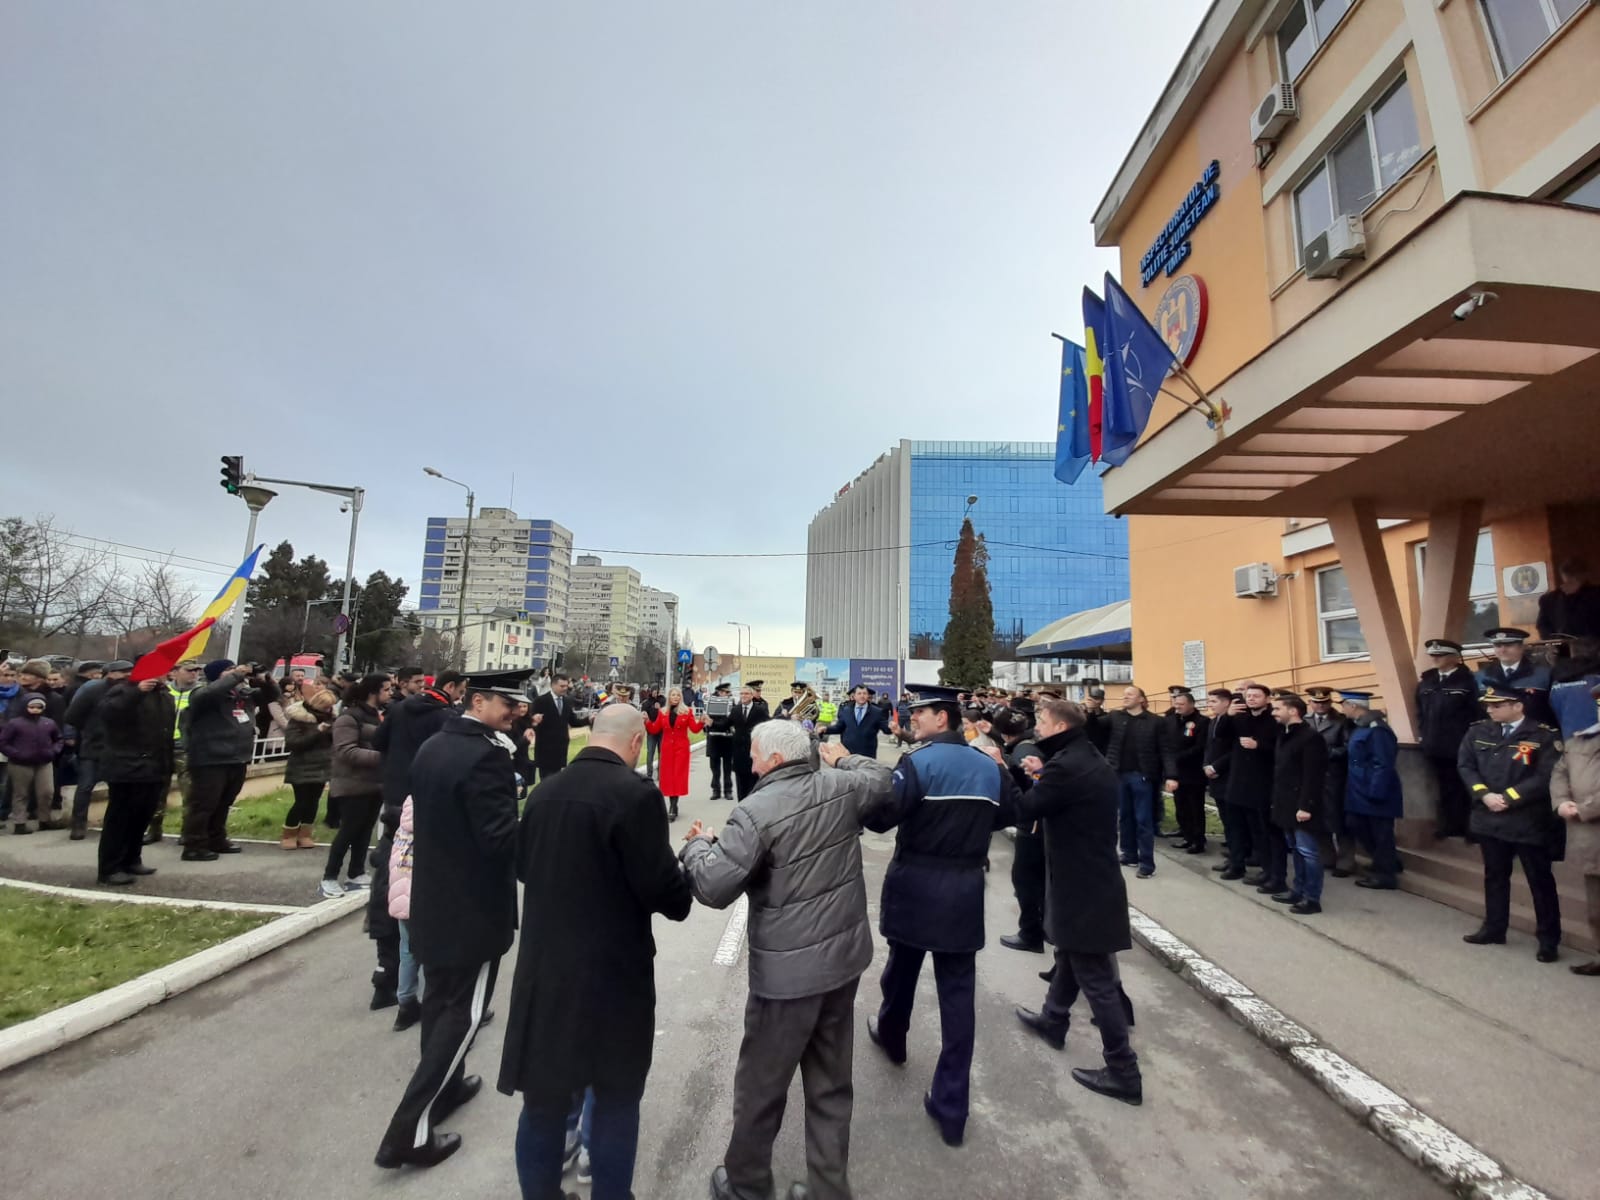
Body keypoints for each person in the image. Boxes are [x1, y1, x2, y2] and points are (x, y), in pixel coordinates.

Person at [681, 719, 894, 1200]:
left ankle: (747, 1184)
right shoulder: (843, 787)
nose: (750, 762)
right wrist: (842, 758)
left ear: (776, 760)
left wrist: (696, 846)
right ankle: (828, 1188)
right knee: (831, 1084)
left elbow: (713, 886)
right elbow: (882, 780)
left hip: (786, 981)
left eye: (755, 755)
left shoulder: (756, 810)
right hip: (842, 965)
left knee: (761, 1086)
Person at [498, 703, 692, 1199]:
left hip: (544, 972)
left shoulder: (545, 792)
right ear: (634, 744)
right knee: (615, 1098)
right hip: (613, 977)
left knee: (542, 1101)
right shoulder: (636, 795)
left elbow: (522, 866)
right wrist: (687, 862)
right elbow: (666, 894)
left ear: (591, 735)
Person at [376, 670, 525, 1170]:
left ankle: (449, 1087)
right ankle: (408, 1134)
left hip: (433, 899)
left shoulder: (437, 744)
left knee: (440, 1002)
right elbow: (499, 838)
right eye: (507, 703)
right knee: (462, 1014)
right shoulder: (486, 755)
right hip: (474, 909)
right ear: (478, 701)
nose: (515, 711)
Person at [861, 684, 1018, 1148]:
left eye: (921, 713)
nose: (913, 719)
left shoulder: (918, 763)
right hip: (964, 889)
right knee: (957, 997)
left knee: (902, 969)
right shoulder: (989, 766)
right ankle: (952, 1108)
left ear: (942, 719)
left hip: (916, 884)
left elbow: (880, 819)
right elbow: (1008, 814)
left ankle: (893, 1036)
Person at [1010, 698, 1141, 1104]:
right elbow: (1060, 790)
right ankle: (1054, 1018)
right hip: (1087, 877)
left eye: (1042, 722)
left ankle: (1123, 1070)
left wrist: (1003, 766)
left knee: (1095, 977)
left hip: (1084, 883)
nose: (1036, 729)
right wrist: (1041, 772)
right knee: (1070, 952)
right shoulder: (1078, 757)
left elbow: (1026, 807)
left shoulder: (1067, 764)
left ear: (1061, 726)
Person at [371, 670, 465, 1012]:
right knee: (429, 893)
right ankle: (441, 988)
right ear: (451, 688)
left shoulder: (398, 710)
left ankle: (387, 976)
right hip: (427, 808)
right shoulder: (447, 719)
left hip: (394, 804)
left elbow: (378, 743)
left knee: (390, 884)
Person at [1458, 684, 1563, 962]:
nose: (1490, 709)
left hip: (1527, 819)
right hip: (1489, 816)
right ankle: (1494, 928)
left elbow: (1545, 775)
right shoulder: (1478, 731)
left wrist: (1509, 797)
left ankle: (1548, 939)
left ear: (1518, 706)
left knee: (1539, 881)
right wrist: (1484, 795)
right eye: (1489, 706)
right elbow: (1466, 765)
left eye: (1497, 705)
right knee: (1494, 876)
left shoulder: (1542, 734)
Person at [93, 669, 176, 884]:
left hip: (154, 767)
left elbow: (165, 732)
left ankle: (132, 859)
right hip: (126, 767)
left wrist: (167, 765)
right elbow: (109, 714)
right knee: (120, 819)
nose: (162, 675)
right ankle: (110, 868)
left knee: (142, 816)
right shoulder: (122, 690)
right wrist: (136, 692)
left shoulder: (164, 696)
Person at [178, 660, 257, 861]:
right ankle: (194, 844)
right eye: (228, 671)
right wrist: (236, 675)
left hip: (236, 757)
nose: (234, 673)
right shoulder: (202, 694)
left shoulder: (237, 696)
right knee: (204, 804)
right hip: (209, 758)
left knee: (224, 803)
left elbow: (270, 696)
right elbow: (210, 692)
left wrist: (263, 678)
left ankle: (216, 839)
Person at [321, 673, 386, 899]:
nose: (389, 694)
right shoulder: (348, 718)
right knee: (348, 831)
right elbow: (346, 751)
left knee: (364, 830)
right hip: (351, 784)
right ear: (373, 692)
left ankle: (356, 872)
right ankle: (329, 877)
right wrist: (384, 757)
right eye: (385, 690)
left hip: (373, 784)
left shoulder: (375, 717)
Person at [1103, 686, 1177, 879]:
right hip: (1119, 774)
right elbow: (1093, 727)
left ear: (1141, 699)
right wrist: (1093, 709)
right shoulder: (1115, 717)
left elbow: (1166, 750)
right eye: (1124, 694)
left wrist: (1171, 775)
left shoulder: (1155, 722)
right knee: (1125, 817)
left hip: (1142, 776)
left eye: (1130, 694)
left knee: (1143, 820)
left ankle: (1146, 863)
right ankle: (1129, 854)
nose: (1125, 697)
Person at [1552, 682, 1600, 976]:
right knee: (1596, 908)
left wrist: (1585, 809)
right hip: (1591, 840)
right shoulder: (1580, 740)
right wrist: (1561, 802)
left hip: (1589, 819)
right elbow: (1560, 771)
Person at [1416, 638, 1483, 839]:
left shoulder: (1467, 682)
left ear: (1455, 657)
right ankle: (1450, 824)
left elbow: (1477, 714)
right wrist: (1424, 735)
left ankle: (1471, 827)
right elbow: (1420, 712)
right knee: (1445, 786)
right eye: (1433, 656)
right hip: (1435, 744)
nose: (1435, 659)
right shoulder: (1427, 682)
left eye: (1441, 655)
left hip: (1461, 744)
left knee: (1467, 786)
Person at [992, 708, 1046, 953]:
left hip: (1032, 825)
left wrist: (1001, 767)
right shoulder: (1028, 746)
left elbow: (1026, 786)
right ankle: (1040, 931)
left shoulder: (1024, 752)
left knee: (1025, 881)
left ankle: (1031, 933)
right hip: (1036, 823)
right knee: (1034, 881)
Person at [1269, 694, 1328, 915]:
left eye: (1277, 709)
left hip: (1302, 806)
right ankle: (1298, 890)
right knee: (1296, 850)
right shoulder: (1284, 735)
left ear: (1293, 711)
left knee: (1308, 852)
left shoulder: (1310, 737)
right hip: (1286, 803)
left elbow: (1313, 775)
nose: (1273, 712)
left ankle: (1312, 898)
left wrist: (1306, 806)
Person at [1219, 683, 1281, 889]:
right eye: (1249, 695)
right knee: (1235, 827)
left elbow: (1280, 750)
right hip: (1237, 780)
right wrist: (1227, 715)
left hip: (1261, 782)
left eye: (1256, 696)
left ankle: (1268, 870)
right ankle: (1236, 864)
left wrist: (1259, 746)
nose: (1251, 699)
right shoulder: (1240, 716)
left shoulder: (1274, 719)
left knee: (1260, 831)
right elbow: (1220, 736)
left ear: (1268, 699)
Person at [64, 659, 134, 840]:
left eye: (129, 672)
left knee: (119, 789)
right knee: (85, 786)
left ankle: (117, 825)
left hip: (120, 747)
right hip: (93, 746)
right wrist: (90, 730)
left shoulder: (132, 691)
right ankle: (78, 825)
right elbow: (72, 716)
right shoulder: (92, 689)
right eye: (121, 672)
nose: (126, 675)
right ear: (109, 673)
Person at [1341, 691, 1403, 891]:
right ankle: (1386, 862)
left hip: (1373, 790)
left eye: (1344, 705)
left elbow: (1383, 763)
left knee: (1380, 833)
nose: (1342, 709)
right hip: (1359, 788)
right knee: (1357, 824)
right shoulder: (1361, 726)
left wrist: (1376, 791)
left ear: (1353, 706)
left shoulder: (1377, 730)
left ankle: (1386, 875)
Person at [145, 659, 201, 845]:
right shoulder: (162, 692)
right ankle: (154, 829)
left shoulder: (200, 693)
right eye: (189, 670)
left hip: (186, 748)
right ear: (175, 672)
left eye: (196, 671)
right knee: (157, 792)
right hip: (162, 747)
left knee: (190, 793)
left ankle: (187, 832)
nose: (194, 673)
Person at [1304, 687, 1356, 876]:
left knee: (1338, 819)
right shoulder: (1305, 721)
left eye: (1324, 702)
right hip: (1311, 777)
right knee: (1317, 817)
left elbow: (1348, 747)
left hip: (1334, 776)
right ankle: (1327, 857)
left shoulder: (1341, 721)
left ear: (1330, 703)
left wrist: (1327, 754)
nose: (1320, 705)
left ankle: (1346, 861)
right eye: (1316, 702)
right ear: (1310, 703)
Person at [280, 687, 335, 849]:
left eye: (330, 706)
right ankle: (289, 834)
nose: (328, 709)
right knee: (301, 802)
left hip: (322, 766)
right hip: (301, 766)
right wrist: (317, 732)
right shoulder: (299, 719)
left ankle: (305, 833)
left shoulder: (331, 719)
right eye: (325, 706)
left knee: (314, 802)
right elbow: (293, 743)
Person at [1, 693, 63, 833]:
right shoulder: (14, 723)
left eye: (39, 707)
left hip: (44, 761)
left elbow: (58, 738)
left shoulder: (48, 723)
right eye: (32, 706)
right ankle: (20, 822)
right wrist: (16, 754)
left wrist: (53, 751)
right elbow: (4, 742)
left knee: (47, 792)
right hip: (20, 763)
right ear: (25, 707)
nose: (35, 709)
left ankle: (44, 819)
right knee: (21, 793)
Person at [388, 794, 422, 1030]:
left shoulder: (403, 827)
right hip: (423, 900)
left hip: (400, 899)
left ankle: (406, 1004)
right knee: (434, 953)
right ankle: (437, 1005)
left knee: (408, 952)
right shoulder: (432, 824)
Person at [1476, 627, 1555, 728]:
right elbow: (1478, 711)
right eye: (1498, 646)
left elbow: (1552, 709)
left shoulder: (1543, 674)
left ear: (1521, 647)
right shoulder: (1481, 676)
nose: (1503, 650)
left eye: (1509, 645)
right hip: (1493, 736)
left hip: (1534, 735)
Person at [645, 688, 704, 822]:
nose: (675, 697)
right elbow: (654, 729)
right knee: (668, 777)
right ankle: (672, 804)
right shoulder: (662, 712)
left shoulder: (687, 711)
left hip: (681, 748)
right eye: (673, 695)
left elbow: (694, 729)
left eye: (678, 695)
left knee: (677, 776)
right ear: (669, 697)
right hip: (667, 749)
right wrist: (647, 721)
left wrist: (701, 722)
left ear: (681, 697)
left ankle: (673, 806)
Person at [1166, 687, 1210, 855]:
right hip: (1177, 773)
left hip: (1193, 772)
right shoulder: (1172, 720)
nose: (1177, 707)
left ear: (1191, 704)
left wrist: (1177, 756)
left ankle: (1198, 840)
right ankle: (1187, 836)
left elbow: (1200, 747)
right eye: (1176, 704)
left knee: (1195, 808)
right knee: (1181, 806)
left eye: (1181, 704)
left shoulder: (1201, 721)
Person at [531, 672, 589, 784]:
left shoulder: (567, 701)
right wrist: (534, 721)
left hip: (560, 749)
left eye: (566, 686)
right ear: (553, 685)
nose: (565, 689)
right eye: (562, 686)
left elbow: (573, 721)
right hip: (545, 750)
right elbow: (532, 722)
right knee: (546, 782)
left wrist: (589, 720)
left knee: (556, 782)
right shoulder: (541, 701)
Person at [1203, 689, 1238, 873]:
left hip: (1227, 776)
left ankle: (1236, 861)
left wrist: (1216, 767)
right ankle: (1232, 857)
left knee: (1234, 823)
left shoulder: (1231, 721)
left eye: (1214, 701)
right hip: (1213, 776)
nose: (1210, 704)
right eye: (1209, 700)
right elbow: (1209, 747)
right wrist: (1206, 765)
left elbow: (1233, 750)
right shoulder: (1213, 721)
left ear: (1226, 703)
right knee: (1226, 821)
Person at [1537, 557, 1600, 641]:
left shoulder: (1548, 599)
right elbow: (1542, 626)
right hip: (1590, 648)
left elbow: (1542, 626)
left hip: (1563, 647)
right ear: (1586, 574)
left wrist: (1553, 641)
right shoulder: (1548, 599)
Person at [824, 684, 892, 759]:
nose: (862, 696)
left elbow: (886, 729)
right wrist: (826, 729)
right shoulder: (846, 711)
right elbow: (839, 727)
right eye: (859, 693)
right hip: (847, 754)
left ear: (868, 696)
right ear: (854, 696)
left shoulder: (877, 712)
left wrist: (893, 728)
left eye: (864, 693)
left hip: (867, 756)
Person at [727, 683, 770, 801]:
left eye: (746, 693)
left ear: (752, 696)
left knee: (753, 784)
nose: (744, 696)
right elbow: (726, 724)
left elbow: (769, 724)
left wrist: (784, 717)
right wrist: (711, 723)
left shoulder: (760, 710)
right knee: (740, 784)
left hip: (754, 752)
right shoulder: (735, 710)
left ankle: (752, 805)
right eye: (742, 693)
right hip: (739, 753)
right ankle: (741, 806)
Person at [703, 682, 737, 800]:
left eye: (728, 693)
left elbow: (730, 721)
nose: (727, 694)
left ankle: (728, 790)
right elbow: (706, 720)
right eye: (725, 692)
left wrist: (713, 723)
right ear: (719, 692)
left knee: (728, 767)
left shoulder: (732, 704)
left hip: (727, 739)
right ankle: (716, 790)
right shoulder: (710, 703)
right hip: (714, 739)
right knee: (714, 767)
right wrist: (707, 724)